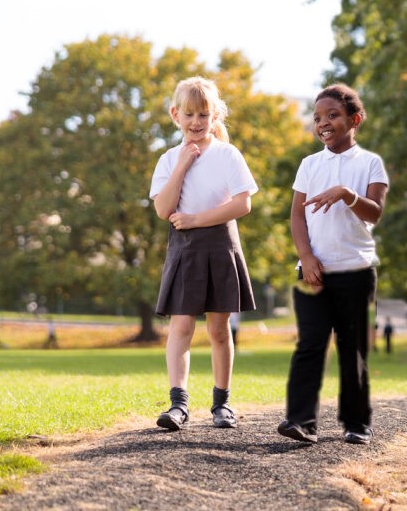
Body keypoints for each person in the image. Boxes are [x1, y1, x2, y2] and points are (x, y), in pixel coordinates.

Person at [279, 83, 389, 446]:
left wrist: (346, 193)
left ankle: (357, 423)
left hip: (356, 272)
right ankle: (300, 421)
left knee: (352, 348)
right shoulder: (309, 165)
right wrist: (306, 257)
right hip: (312, 273)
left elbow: (374, 212)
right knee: (309, 345)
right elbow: (297, 216)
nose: (323, 123)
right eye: (317, 118)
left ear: (354, 119)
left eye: (332, 116)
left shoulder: (370, 163)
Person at [150, 76, 258, 431]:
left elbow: (243, 204)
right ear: (175, 114)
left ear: (215, 117)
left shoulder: (228, 155)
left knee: (218, 329)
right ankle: (178, 405)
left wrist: (196, 219)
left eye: (203, 114)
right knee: (181, 326)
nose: (196, 122)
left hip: (221, 245)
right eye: (189, 114)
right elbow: (164, 209)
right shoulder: (168, 159)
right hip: (184, 249)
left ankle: (222, 404)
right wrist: (183, 163)